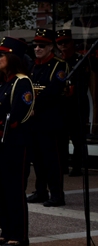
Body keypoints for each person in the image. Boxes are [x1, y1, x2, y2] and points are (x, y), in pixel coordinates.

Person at [0, 37, 35, 246]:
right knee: (0, 190)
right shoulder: (2, 83)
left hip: (14, 144)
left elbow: (17, 115)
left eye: (1, 55)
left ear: (12, 57)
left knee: (14, 189)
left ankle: (19, 234)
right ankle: (6, 231)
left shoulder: (22, 82)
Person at [26, 28, 69, 207]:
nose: (37, 48)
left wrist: (35, 106)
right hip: (35, 120)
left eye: (42, 45)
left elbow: (53, 91)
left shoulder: (59, 66)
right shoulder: (35, 65)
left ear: (51, 47)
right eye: (35, 45)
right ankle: (41, 191)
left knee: (52, 159)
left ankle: (57, 194)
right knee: (37, 159)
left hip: (50, 120)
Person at [56, 29, 89, 177]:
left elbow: (84, 82)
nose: (63, 45)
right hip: (62, 105)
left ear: (72, 43)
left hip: (77, 103)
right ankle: (63, 166)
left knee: (78, 138)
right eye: (60, 43)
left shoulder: (80, 60)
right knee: (61, 138)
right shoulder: (58, 63)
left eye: (66, 42)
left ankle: (77, 166)